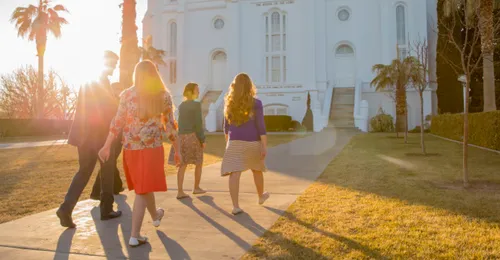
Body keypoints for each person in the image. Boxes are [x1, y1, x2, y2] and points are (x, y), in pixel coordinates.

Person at [99, 60, 181, 247]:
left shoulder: (127, 94)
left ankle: (155, 215)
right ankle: (135, 235)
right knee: (143, 190)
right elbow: (170, 127)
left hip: (131, 150)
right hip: (152, 149)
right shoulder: (163, 96)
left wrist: (106, 145)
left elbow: (117, 121)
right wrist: (178, 151)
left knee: (144, 186)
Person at [56, 51, 123, 228]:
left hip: (84, 136)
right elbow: (108, 109)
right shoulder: (101, 82)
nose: (114, 67)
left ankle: (66, 208)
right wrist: (119, 103)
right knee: (107, 172)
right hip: (100, 135)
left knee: (84, 171)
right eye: (113, 63)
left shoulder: (86, 82)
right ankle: (106, 209)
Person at [220, 73, 270, 215]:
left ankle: (235, 206)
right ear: (249, 86)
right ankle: (261, 196)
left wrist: (228, 144)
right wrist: (264, 146)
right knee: (257, 169)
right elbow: (261, 127)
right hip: (253, 142)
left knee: (234, 174)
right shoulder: (256, 103)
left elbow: (226, 127)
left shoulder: (229, 102)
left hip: (234, 142)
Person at [90, 82, 125, 200]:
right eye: (117, 88)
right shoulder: (110, 103)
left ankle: (116, 186)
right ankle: (97, 191)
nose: (119, 91)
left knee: (111, 163)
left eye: (120, 88)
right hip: (110, 136)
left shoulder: (120, 102)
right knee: (108, 163)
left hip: (118, 137)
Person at [176, 83, 206, 200]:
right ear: (192, 92)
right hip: (193, 136)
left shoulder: (181, 105)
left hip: (182, 137)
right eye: (197, 90)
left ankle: (180, 191)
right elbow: (198, 124)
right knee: (198, 162)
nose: (198, 92)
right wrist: (202, 139)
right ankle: (196, 187)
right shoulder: (196, 105)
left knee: (183, 165)